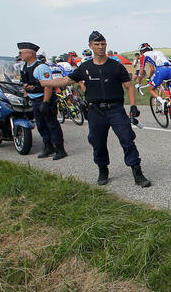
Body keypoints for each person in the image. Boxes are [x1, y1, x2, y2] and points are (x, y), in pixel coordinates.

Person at [39, 30, 150, 187]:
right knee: (97, 142)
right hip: (95, 111)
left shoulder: (116, 66)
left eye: (103, 44)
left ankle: (137, 172)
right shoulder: (85, 67)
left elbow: (128, 86)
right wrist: (43, 83)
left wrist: (133, 106)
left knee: (127, 139)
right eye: (97, 44)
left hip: (115, 109)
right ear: (90, 46)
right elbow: (65, 81)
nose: (100, 47)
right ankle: (102, 169)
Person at [17, 42, 67, 160]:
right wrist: (26, 88)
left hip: (44, 99)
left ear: (30, 53)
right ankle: (48, 147)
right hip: (34, 100)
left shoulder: (41, 67)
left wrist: (45, 102)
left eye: (21, 52)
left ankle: (60, 149)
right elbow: (24, 82)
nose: (19, 55)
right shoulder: (24, 67)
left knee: (52, 125)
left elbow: (48, 86)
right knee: (41, 126)